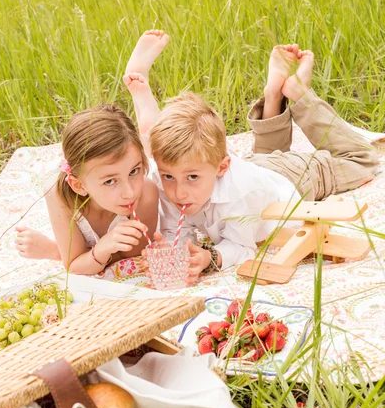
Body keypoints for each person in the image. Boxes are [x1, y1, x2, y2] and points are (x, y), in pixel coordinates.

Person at [125, 38, 379, 284]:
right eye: (169, 176)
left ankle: (300, 95)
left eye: (192, 177)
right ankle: (273, 96)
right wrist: (171, 252)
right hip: (252, 169)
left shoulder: (241, 194)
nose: (178, 192)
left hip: (288, 179)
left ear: (222, 167)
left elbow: (242, 247)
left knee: (363, 160)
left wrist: (211, 257)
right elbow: (175, 233)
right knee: (263, 159)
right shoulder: (171, 175)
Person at [15, 30, 171, 274]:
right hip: (81, 191)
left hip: (110, 168)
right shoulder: (60, 196)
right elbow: (74, 267)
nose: (129, 192)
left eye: (134, 171)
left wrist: (74, 253)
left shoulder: (147, 193)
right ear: (79, 186)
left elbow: (131, 257)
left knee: (165, 146)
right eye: (110, 181)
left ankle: (140, 84)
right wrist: (102, 247)